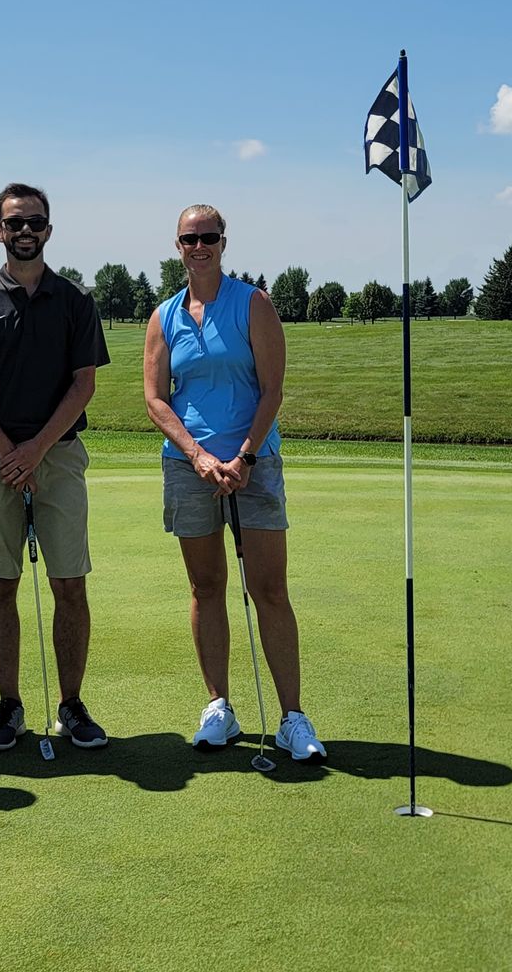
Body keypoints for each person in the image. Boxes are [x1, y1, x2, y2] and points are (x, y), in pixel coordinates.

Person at [141, 203, 326, 762]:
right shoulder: (164, 316)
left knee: (268, 589)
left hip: (254, 466)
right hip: (188, 466)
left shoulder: (254, 304)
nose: (199, 246)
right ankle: (218, 706)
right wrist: (197, 456)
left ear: (224, 242)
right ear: (177, 246)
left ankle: (293, 716)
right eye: (189, 238)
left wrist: (243, 457)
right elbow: (155, 398)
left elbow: (272, 389)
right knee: (205, 587)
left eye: (209, 237)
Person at [0, 183, 112, 751]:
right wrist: (7, 454)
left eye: (34, 222)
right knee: (1, 582)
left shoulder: (75, 300)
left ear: (48, 229)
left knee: (69, 582)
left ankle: (71, 704)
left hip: (58, 455)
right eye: (14, 223)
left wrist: (35, 450)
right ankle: (11, 705)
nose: (24, 231)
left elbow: (83, 384)